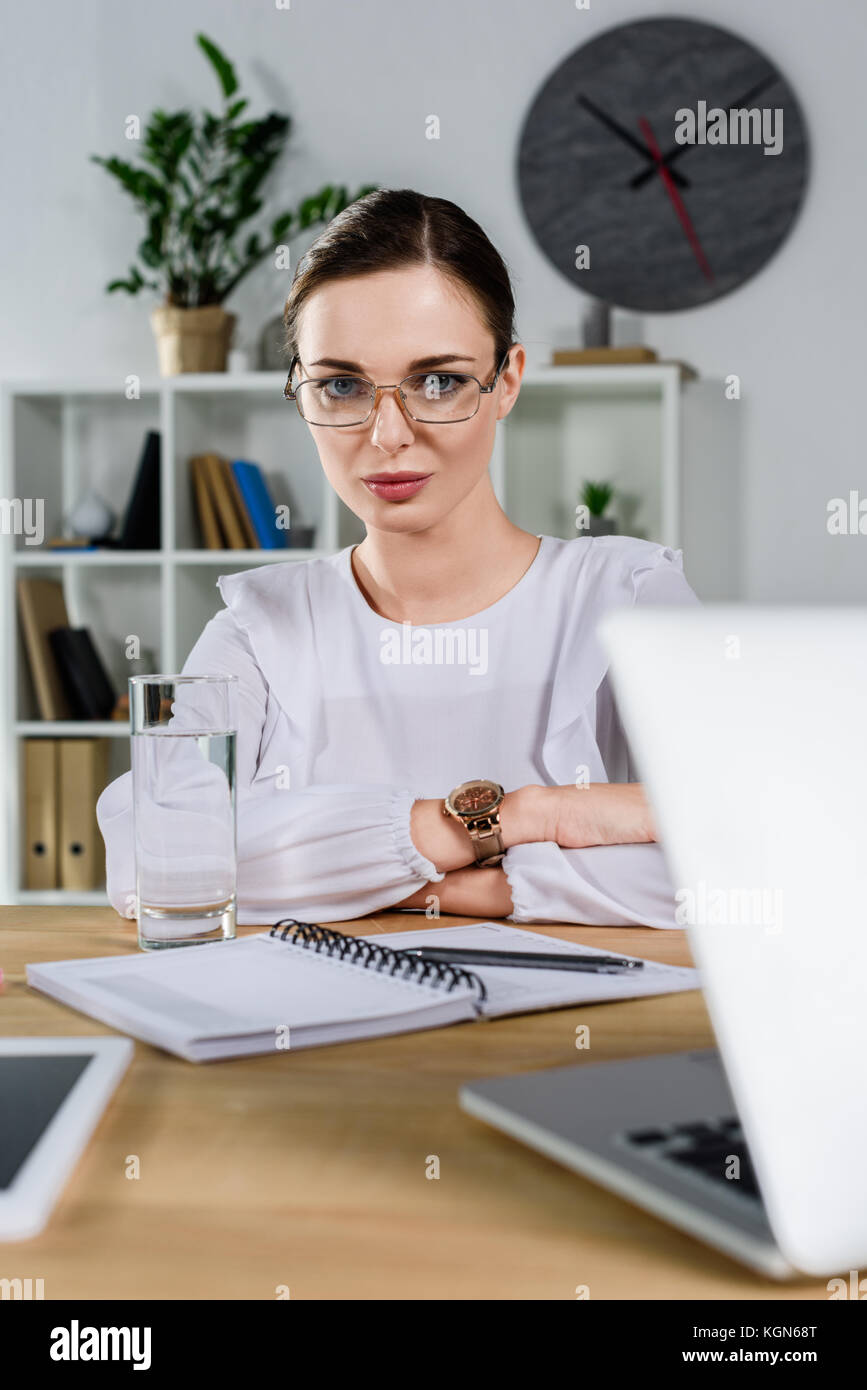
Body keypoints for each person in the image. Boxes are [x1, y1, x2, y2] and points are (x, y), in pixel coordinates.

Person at [97, 188, 699, 928]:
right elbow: (152, 859)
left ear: (505, 381)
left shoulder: (626, 596)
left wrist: (398, 884)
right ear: (301, 391)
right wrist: (508, 820)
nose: (387, 434)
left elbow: (746, 852)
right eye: (342, 385)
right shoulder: (259, 627)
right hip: (312, 1034)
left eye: (438, 381)